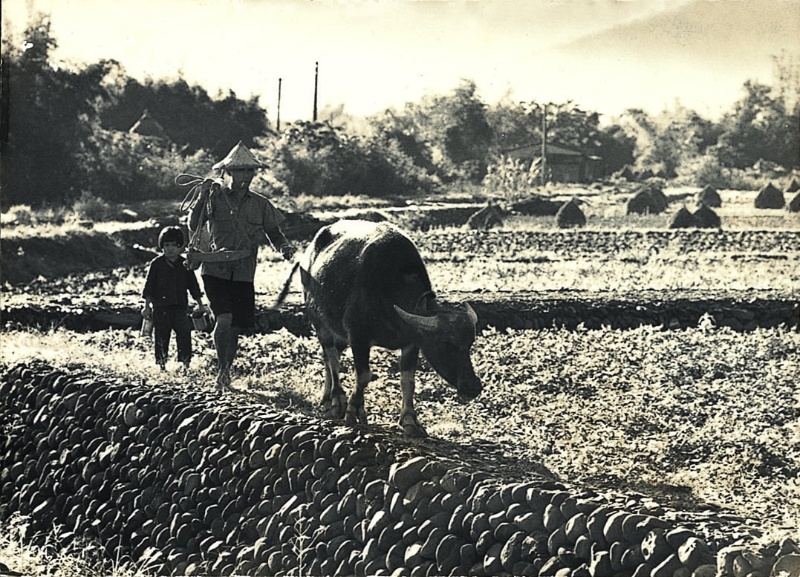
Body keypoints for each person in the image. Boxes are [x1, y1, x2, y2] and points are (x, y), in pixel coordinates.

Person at [187, 141, 295, 390]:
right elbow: (194, 224)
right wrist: (202, 197)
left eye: (249, 171)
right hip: (215, 269)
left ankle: (226, 371)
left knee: (234, 326)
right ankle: (221, 371)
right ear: (227, 172)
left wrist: (284, 248)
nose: (246, 176)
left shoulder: (261, 204)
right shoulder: (213, 197)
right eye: (240, 170)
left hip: (244, 272)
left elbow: (274, 233)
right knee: (223, 319)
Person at [141, 225, 206, 372]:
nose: (170, 249)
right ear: (161, 246)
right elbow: (149, 286)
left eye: (174, 245)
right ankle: (161, 365)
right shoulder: (156, 264)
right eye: (166, 245)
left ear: (180, 246)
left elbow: (193, 285)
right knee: (161, 336)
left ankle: (185, 364)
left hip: (180, 307)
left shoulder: (185, 264)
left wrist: (200, 304)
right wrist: (146, 306)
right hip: (160, 308)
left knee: (184, 334)